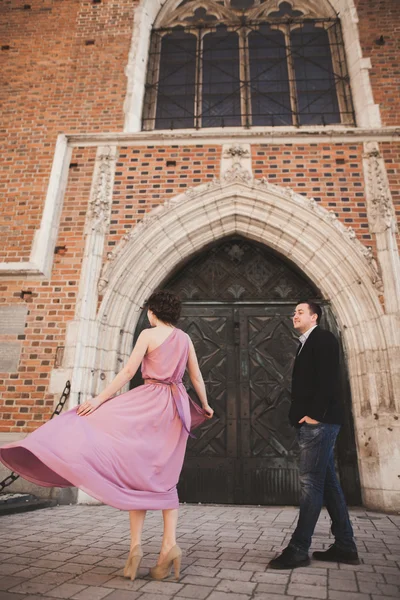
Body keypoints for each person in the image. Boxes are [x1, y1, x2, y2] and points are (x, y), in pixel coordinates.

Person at [0, 290, 214, 582]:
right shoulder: (185, 339)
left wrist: (99, 400)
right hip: (175, 410)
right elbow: (197, 376)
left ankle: (136, 547)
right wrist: (205, 404)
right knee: (165, 477)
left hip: (147, 404)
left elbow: (128, 371)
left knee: (137, 475)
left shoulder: (148, 336)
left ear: (152, 312)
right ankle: (169, 546)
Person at [269, 300, 359, 570]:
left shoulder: (323, 339)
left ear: (314, 316)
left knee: (311, 484)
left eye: (299, 312)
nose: (293, 315)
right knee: (328, 483)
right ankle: (345, 545)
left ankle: (298, 548)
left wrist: (316, 415)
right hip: (315, 423)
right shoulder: (307, 342)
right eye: (294, 312)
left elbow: (328, 379)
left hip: (320, 423)